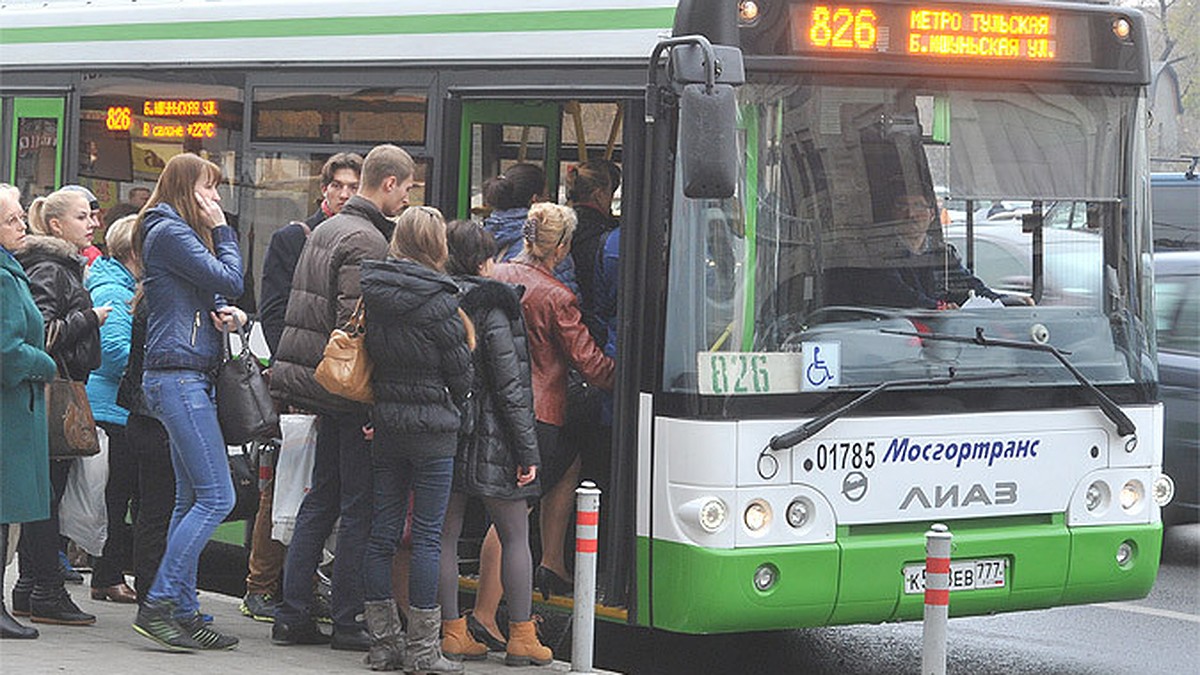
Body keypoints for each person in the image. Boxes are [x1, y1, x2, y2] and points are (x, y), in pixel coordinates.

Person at [269, 144, 414, 651]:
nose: (408, 198)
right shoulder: (367, 239)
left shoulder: (329, 228)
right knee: (357, 506)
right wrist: (375, 399)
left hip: (318, 383)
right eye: (407, 187)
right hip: (347, 389)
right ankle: (348, 619)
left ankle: (293, 612)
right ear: (390, 183)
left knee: (322, 498)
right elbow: (358, 323)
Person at [131, 152, 247, 651]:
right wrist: (223, 231)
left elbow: (207, 293)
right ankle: (158, 602)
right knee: (217, 497)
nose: (217, 199)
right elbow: (230, 277)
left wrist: (229, 316)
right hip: (178, 378)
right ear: (185, 190)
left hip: (182, 374)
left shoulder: (170, 232)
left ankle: (182, 608)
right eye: (210, 188)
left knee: (190, 498)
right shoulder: (170, 230)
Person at [244, 151, 362, 624]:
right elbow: (273, 311)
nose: (347, 194)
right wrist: (297, 371)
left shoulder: (363, 236)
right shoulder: (295, 237)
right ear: (325, 190)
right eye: (340, 186)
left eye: (355, 186)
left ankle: (304, 583)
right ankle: (261, 583)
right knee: (285, 483)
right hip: (304, 380)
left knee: (318, 487)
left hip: (339, 383)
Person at [359, 206, 473, 673]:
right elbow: (461, 375)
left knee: (381, 533)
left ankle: (383, 644)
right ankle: (424, 651)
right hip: (433, 431)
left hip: (387, 424)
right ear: (437, 246)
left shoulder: (375, 291)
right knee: (427, 537)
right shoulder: (443, 300)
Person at [437, 220, 552, 666]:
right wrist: (528, 452)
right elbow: (511, 388)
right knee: (515, 534)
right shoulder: (496, 307)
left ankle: (452, 632)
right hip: (496, 438)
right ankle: (522, 637)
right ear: (486, 261)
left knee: (444, 535)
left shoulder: (439, 299)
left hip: (448, 433)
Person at [492, 203, 615, 602]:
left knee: (565, 467)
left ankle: (552, 562)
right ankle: (491, 612)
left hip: (497, 405)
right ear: (561, 247)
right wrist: (624, 377)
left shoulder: (497, 274)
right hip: (540, 412)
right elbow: (590, 364)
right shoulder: (556, 296)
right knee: (512, 514)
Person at [11, 187, 108, 628]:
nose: (92, 223)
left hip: (54, 392)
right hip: (56, 394)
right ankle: (46, 588)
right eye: (83, 216)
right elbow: (44, 334)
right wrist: (92, 318)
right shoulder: (51, 268)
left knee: (45, 494)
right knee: (45, 496)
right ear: (56, 225)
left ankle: (31, 588)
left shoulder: (61, 267)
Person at [0, 184, 58, 640]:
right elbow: (7, 352)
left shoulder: (11, 270)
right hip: (8, 410)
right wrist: (46, 363)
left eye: (21, 217)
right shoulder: (3, 277)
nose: (22, 225)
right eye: (12, 220)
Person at [826, 187, 1031, 309]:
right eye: (902, 206)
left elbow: (969, 287)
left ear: (932, 214)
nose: (910, 214)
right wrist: (938, 308)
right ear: (892, 213)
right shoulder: (878, 253)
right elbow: (898, 295)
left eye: (918, 206)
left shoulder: (940, 254)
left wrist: (1005, 301)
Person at [83, 214, 141, 605]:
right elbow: (113, 352)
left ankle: (109, 574)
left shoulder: (118, 283)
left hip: (113, 408)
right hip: (111, 410)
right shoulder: (113, 289)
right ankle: (108, 576)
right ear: (136, 251)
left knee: (116, 496)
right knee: (115, 498)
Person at [481, 164, 577, 295]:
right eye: (547, 196)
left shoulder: (479, 237)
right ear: (535, 200)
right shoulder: (546, 242)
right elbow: (564, 297)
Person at [565, 159, 620, 342]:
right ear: (598, 195)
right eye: (610, 194)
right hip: (594, 329)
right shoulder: (608, 239)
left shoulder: (562, 228)